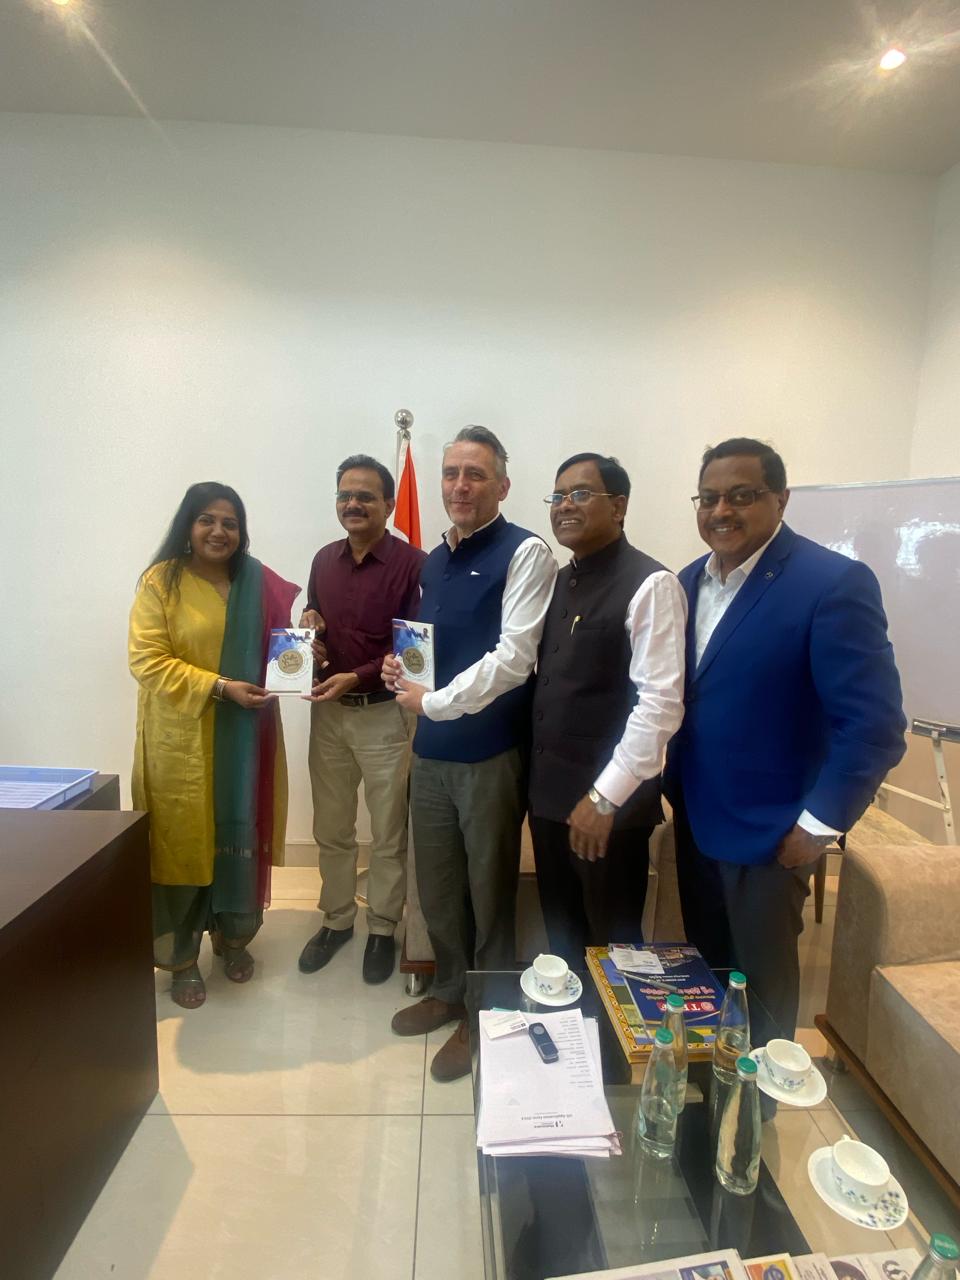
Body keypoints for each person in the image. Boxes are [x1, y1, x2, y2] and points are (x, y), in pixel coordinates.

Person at [664, 438, 906, 1043]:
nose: (721, 510)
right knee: (707, 975)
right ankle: (712, 1087)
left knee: (761, 993)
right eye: (709, 498)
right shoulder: (688, 582)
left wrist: (819, 825)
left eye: (742, 495)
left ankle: (759, 1096)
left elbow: (874, 726)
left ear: (781, 499)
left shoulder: (832, 583)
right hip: (696, 820)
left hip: (773, 835)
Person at [384, 425, 558, 1082]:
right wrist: (402, 671)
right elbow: (433, 649)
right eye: (452, 473)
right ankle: (451, 990)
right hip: (431, 752)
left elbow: (514, 658)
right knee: (439, 888)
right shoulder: (434, 560)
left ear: (502, 486)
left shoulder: (526, 553)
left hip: (489, 753)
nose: (460, 486)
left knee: (488, 892)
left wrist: (431, 702)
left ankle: (487, 1011)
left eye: (475, 474)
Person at [129, 482, 299, 1009]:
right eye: (207, 519)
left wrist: (305, 637)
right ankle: (181, 959)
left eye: (230, 522)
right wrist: (221, 687)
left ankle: (233, 937)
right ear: (188, 525)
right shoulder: (161, 581)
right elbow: (147, 660)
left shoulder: (257, 581)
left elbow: (283, 645)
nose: (219, 531)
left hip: (246, 737)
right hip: (181, 742)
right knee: (182, 846)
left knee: (240, 832)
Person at [528, 453, 687, 965]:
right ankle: (573, 1018)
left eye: (580, 494)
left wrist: (604, 799)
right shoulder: (558, 581)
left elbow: (659, 706)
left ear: (618, 507)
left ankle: (613, 1025)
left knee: (614, 950)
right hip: (550, 800)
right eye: (557, 496)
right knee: (563, 940)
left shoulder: (651, 584)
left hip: (608, 810)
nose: (564, 506)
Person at [297, 455, 426, 985]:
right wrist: (310, 629)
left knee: (389, 833)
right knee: (331, 828)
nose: (353, 504)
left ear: (389, 504)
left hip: (384, 716)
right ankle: (336, 920)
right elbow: (316, 623)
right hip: (329, 715)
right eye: (345, 495)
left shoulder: (414, 565)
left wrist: (360, 675)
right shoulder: (323, 560)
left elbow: (415, 651)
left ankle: (382, 927)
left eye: (365, 496)